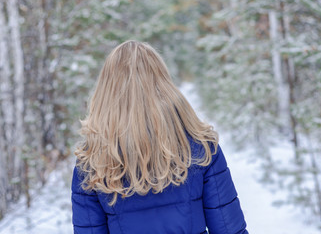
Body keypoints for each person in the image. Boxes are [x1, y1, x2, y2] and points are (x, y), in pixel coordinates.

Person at [71, 40, 248, 234]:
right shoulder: (201, 148)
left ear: (107, 90)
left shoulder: (92, 162)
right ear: (163, 83)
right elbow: (228, 228)